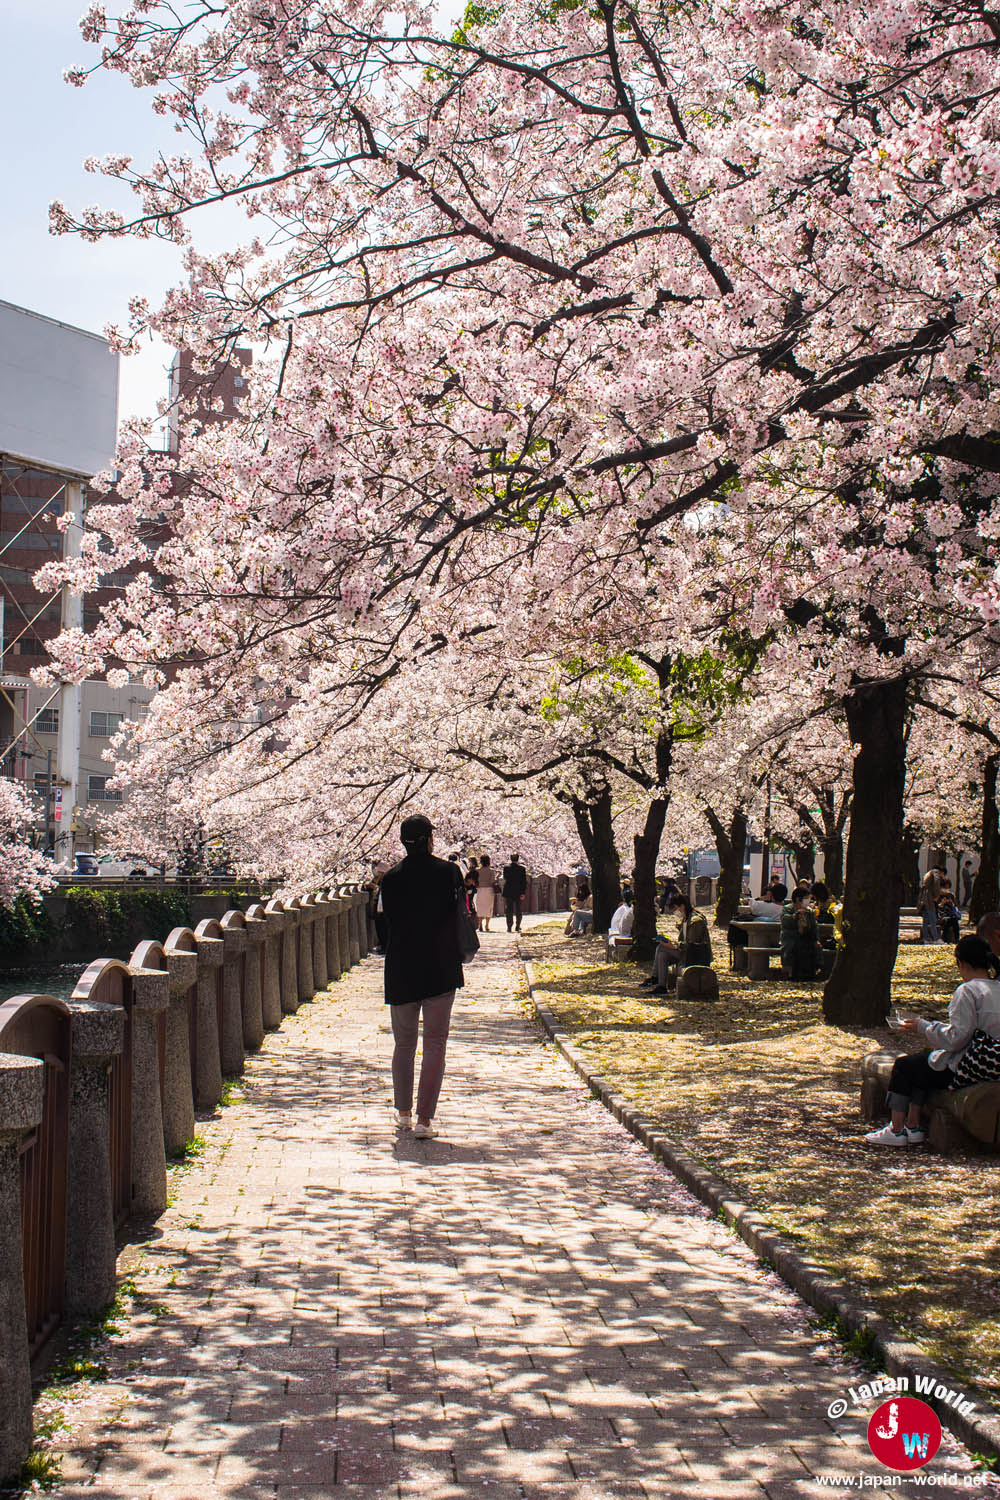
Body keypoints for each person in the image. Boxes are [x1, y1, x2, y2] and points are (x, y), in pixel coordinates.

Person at [865, 935, 1000, 1145]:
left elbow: (956, 1038)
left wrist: (924, 1027)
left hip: (970, 1065)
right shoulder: (997, 987)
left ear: (961, 963)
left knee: (904, 1066)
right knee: (925, 1062)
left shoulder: (968, 991)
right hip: (994, 1063)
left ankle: (897, 1128)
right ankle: (913, 1124)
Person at [379, 814, 466, 1140]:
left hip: (402, 967)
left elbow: (383, 927)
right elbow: (458, 914)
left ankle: (402, 1114)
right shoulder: (448, 872)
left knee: (403, 1043)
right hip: (440, 967)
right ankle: (424, 1120)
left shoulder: (391, 879)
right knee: (435, 1044)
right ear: (430, 838)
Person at [641, 896, 712, 995]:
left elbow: (692, 944)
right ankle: (661, 986)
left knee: (661, 948)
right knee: (662, 955)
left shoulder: (695, 921)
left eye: (676, 908)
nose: (675, 911)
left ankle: (655, 978)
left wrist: (674, 946)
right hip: (686, 952)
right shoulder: (686, 918)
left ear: (682, 906)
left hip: (694, 954)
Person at [780, 887, 820, 980]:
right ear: (798, 899)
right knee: (793, 947)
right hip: (790, 937)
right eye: (806, 898)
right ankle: (791, 973)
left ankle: (811, 972)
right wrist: (796, 916)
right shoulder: (788, 909)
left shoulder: (809, 911)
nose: (808, 900)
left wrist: (816, 939)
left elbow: (814, 927)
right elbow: (785, 921)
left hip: (807, 937)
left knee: (811, 946)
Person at [917, 865, 945, 944]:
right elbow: (936, 884)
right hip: (929, 899)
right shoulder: (936, 873)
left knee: (925, 921)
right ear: (942, 872)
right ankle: (936, 938)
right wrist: (936, 896)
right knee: (933, 920)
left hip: (924, 898)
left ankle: (926, 938)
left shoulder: (927, 874)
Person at [502, 852, 528, 933]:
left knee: (509, 909)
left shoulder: (506, 868)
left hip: (509, 890)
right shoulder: (522, 869)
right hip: (518, 891)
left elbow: (505, 878)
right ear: (518, 859)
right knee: (518, 909)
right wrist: (523, 892)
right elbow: (524, 881)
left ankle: (509, 926)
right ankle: (517, 926)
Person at [474, 854, 498, 933]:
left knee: (480, 906)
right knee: (489, 907)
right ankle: (487, 925)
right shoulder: (491, 871)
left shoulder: (477, 871)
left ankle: (480, 924)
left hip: (480, 890)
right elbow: (492, 881)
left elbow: (475, 881)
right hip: (489, 890)